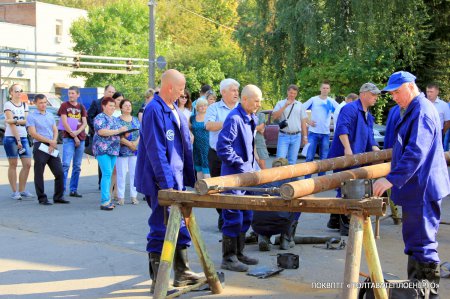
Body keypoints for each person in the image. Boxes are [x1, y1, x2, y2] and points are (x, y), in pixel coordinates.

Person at [373, 71, 450, 298]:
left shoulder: (422, 112)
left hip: (423, 188)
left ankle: (426, 294)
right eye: (392, 93)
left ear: (410, 86)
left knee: (423, 243)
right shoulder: (412, 109)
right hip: (416, 187)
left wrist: (391, 178)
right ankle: (417, 290)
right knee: (415, 241)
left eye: (397, 92)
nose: (394, 97)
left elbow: (416, 151)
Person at [135, 69, 202, 293]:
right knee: (160, 227)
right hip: (161, 182)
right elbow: (156, 151)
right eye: (181, 89)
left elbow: (183, 147)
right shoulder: (154, 109)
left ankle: (182, 272)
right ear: (170, 87)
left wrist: (187, 178)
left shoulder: (174, 109)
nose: (183, 94)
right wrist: (167, 186)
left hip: (177, 178)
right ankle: (158, 281)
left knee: (180, 224)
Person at [217, 84, 262, 272]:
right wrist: (242, 164)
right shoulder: (234, 118)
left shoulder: (251, 118)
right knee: (233, 216)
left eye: (260, 101)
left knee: (246, 215)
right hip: (233, 177)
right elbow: (222, 147)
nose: (259, 104)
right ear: (245, 100)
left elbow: (250, 147)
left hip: (246, 177)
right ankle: (228, 258)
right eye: (256, 101)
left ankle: (239, 252)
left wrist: (253, 166)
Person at [327, 83, 381, 236]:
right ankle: (344, 223)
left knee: (345, 187)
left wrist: (375, 147)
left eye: (376, 95)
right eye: (373, 94)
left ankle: (334, 220)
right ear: (363, 94)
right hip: (345, 156)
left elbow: (370, 134)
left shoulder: (368, 115)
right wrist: (347, 148)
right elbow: (342, 128)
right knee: (345, 187)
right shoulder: (350, 109)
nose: (376, 98)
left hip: (357, 157)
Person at [205, 78, 240, 231]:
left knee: (236, 187)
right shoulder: (214, 108)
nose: (236, 93)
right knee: (217, 188)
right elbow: (209, 125)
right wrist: (229, 121)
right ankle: (222, 214)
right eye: (233, 90)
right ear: (223, 92)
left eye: (237, 90)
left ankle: (234, 217)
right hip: (217, 155)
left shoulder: (242, 107)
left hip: (237, 155)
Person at [26, 94, 69, 205]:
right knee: (39, 173)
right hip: (40, 146)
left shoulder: (50, 115)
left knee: (59, 172)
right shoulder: (31, 116)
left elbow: (55, 130)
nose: (43, 105)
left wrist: (53, 141)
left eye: (45, 102)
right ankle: (42, 198)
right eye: (41, 103)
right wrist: (50, 141)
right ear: (35, 103)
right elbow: (33, 133)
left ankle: (58, 197)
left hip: (52, 145)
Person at [93, 97, 128, 211]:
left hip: (114, 149)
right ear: (104, 106)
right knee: (107, 173)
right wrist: (118, 131)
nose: (113, 108)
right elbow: (101, 131)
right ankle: (104, 201)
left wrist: (124, 133)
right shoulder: (100, 117)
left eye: (114, 106)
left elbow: (119, 133)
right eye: (110, 105)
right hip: (102, 149)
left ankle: (107, 199)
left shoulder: (115, 119)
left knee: (110, 174)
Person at [3, 83, 34, 200]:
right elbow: (10, 125)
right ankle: (15, 191)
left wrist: (14, 120)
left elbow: (26, 120)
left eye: (20, 90)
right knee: (13, 164)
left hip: (24, 136)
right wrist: (18, 139)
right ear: (11, 92)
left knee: (27, 164)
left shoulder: (25, 105)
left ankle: (22, 189)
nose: (19, 93)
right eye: (16, 91)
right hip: (11, 138)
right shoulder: (8, 104)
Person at [303, 81, 339, 178]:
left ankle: (321, 180)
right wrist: (308, 121)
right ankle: (306, 179)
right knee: (309, 157)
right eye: (323, 88)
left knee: (324, 158)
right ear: (320, 89)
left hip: (325, 134)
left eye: (327, 88)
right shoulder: (314, 99)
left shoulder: (331, 101)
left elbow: (340, 110)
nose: (325, 90)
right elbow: (301, 108)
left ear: (329, 90)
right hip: (313, 133)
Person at [57, 86, 87, 198]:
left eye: (73, 93)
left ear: (78, 95)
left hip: (81, 138)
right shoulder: (64, 105)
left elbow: (84, 123)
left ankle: (73, 189)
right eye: (69, 93)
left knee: (77, 165)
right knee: (65, 164)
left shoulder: (81, 107)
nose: (71, 95)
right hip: (69, 138)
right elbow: (64, 122)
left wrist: (78, 132)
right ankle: (62, 191)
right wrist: (74, 136)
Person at [271, 84, 308, 165]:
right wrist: (285, 106)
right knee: (280, 160)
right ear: (287, 92)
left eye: (294, 93)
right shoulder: (281, 103)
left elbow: (303, 121)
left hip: (296, 136)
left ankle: (291, 178)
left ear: (296, 94)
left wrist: (305, 137)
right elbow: (274, 117)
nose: (292, 95)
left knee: (292, 161)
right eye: (291, 93)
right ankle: (279, 178)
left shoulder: (299, 104)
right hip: (284, 135)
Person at [88, 84, 116, 189]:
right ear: (104, 92)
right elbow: (89, 116)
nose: (111, 94)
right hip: (100, 138)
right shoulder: (96, 103)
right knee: (103, 164)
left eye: (113, 92)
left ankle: (109, 184)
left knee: (110, 167)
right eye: (109, 92)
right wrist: (96, 129)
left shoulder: (114, 105)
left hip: (112, 141)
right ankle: (102, 183)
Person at [116, 99, 140, 205]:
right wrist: (130, 144)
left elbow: (140, 133)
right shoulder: (117, 120)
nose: (128, 107)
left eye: (129, 105)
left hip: (135, 151)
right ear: (121, 108)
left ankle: (134, 196)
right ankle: (120, 197)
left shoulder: (135, 120)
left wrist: (135, 143)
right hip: (122, 151)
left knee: (134, 174)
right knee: (121, 174)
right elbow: (118, 136)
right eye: (125, 105)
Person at [189, 98, 210, 180]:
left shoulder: (210, 117)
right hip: (196, 146)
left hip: (207, 146)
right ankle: (200, 189)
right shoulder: (192, 118)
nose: (203, 107)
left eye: (205, 105)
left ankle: (208, 190)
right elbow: (189, 128)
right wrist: (191, 134)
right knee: (198, 168)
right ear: (197, 107)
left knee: (207, 168)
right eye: (201, 106)